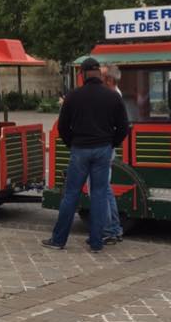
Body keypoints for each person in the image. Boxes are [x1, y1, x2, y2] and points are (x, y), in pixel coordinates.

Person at [43, 57, 129, 253]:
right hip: (103, 150)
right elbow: (124, 127)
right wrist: (111, 143)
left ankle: (58, 240)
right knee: (99, 194)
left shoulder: (73, 96)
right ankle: (96, 242)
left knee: (71, 195)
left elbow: (63, 127)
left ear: (82, 74)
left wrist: (72, 143)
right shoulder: (112, 96)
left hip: (80, 149)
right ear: (99, 74)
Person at [99, 64, 125, 243]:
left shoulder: (112, 96)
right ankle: (114, 228)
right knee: (106, 189)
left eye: (101, 76)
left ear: (109, 80)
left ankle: (110, 229)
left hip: (104, 148)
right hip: (108, 147)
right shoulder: (114, 94)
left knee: (102, 189)